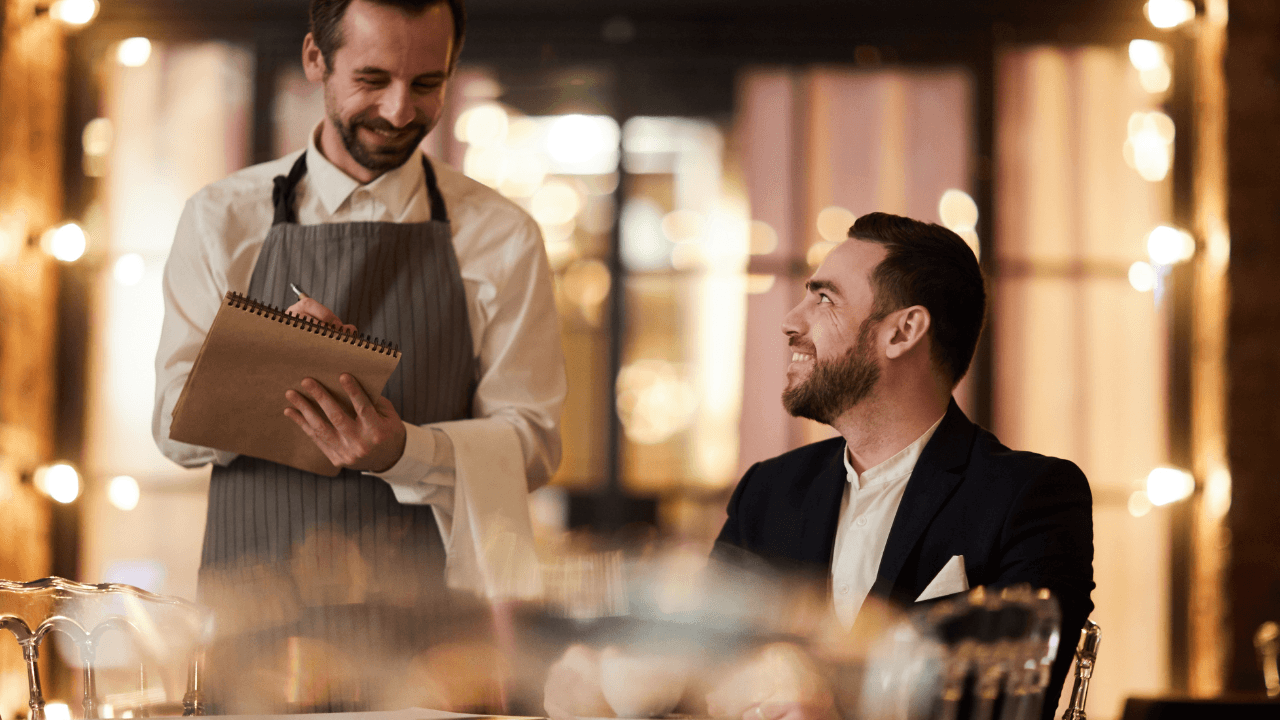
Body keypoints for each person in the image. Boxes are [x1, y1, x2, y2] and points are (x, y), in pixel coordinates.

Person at [152, 0, 564, 602]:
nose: (399, 110)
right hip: (257, 624)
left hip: (434, 629)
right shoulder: (221, 219)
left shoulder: (502, 235)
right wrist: (270, 365)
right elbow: (171, 430)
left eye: (427, 84)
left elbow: (532, 441)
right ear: (316, 58)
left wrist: (403, 451)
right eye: (372, 80)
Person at [714, 212, 1094, 720]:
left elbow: (1005, 702)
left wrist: (822, 696)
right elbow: (693, 668)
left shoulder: (1031, 496)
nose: (791, 320)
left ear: (903, 331)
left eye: (824, 299)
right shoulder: (769, 491)